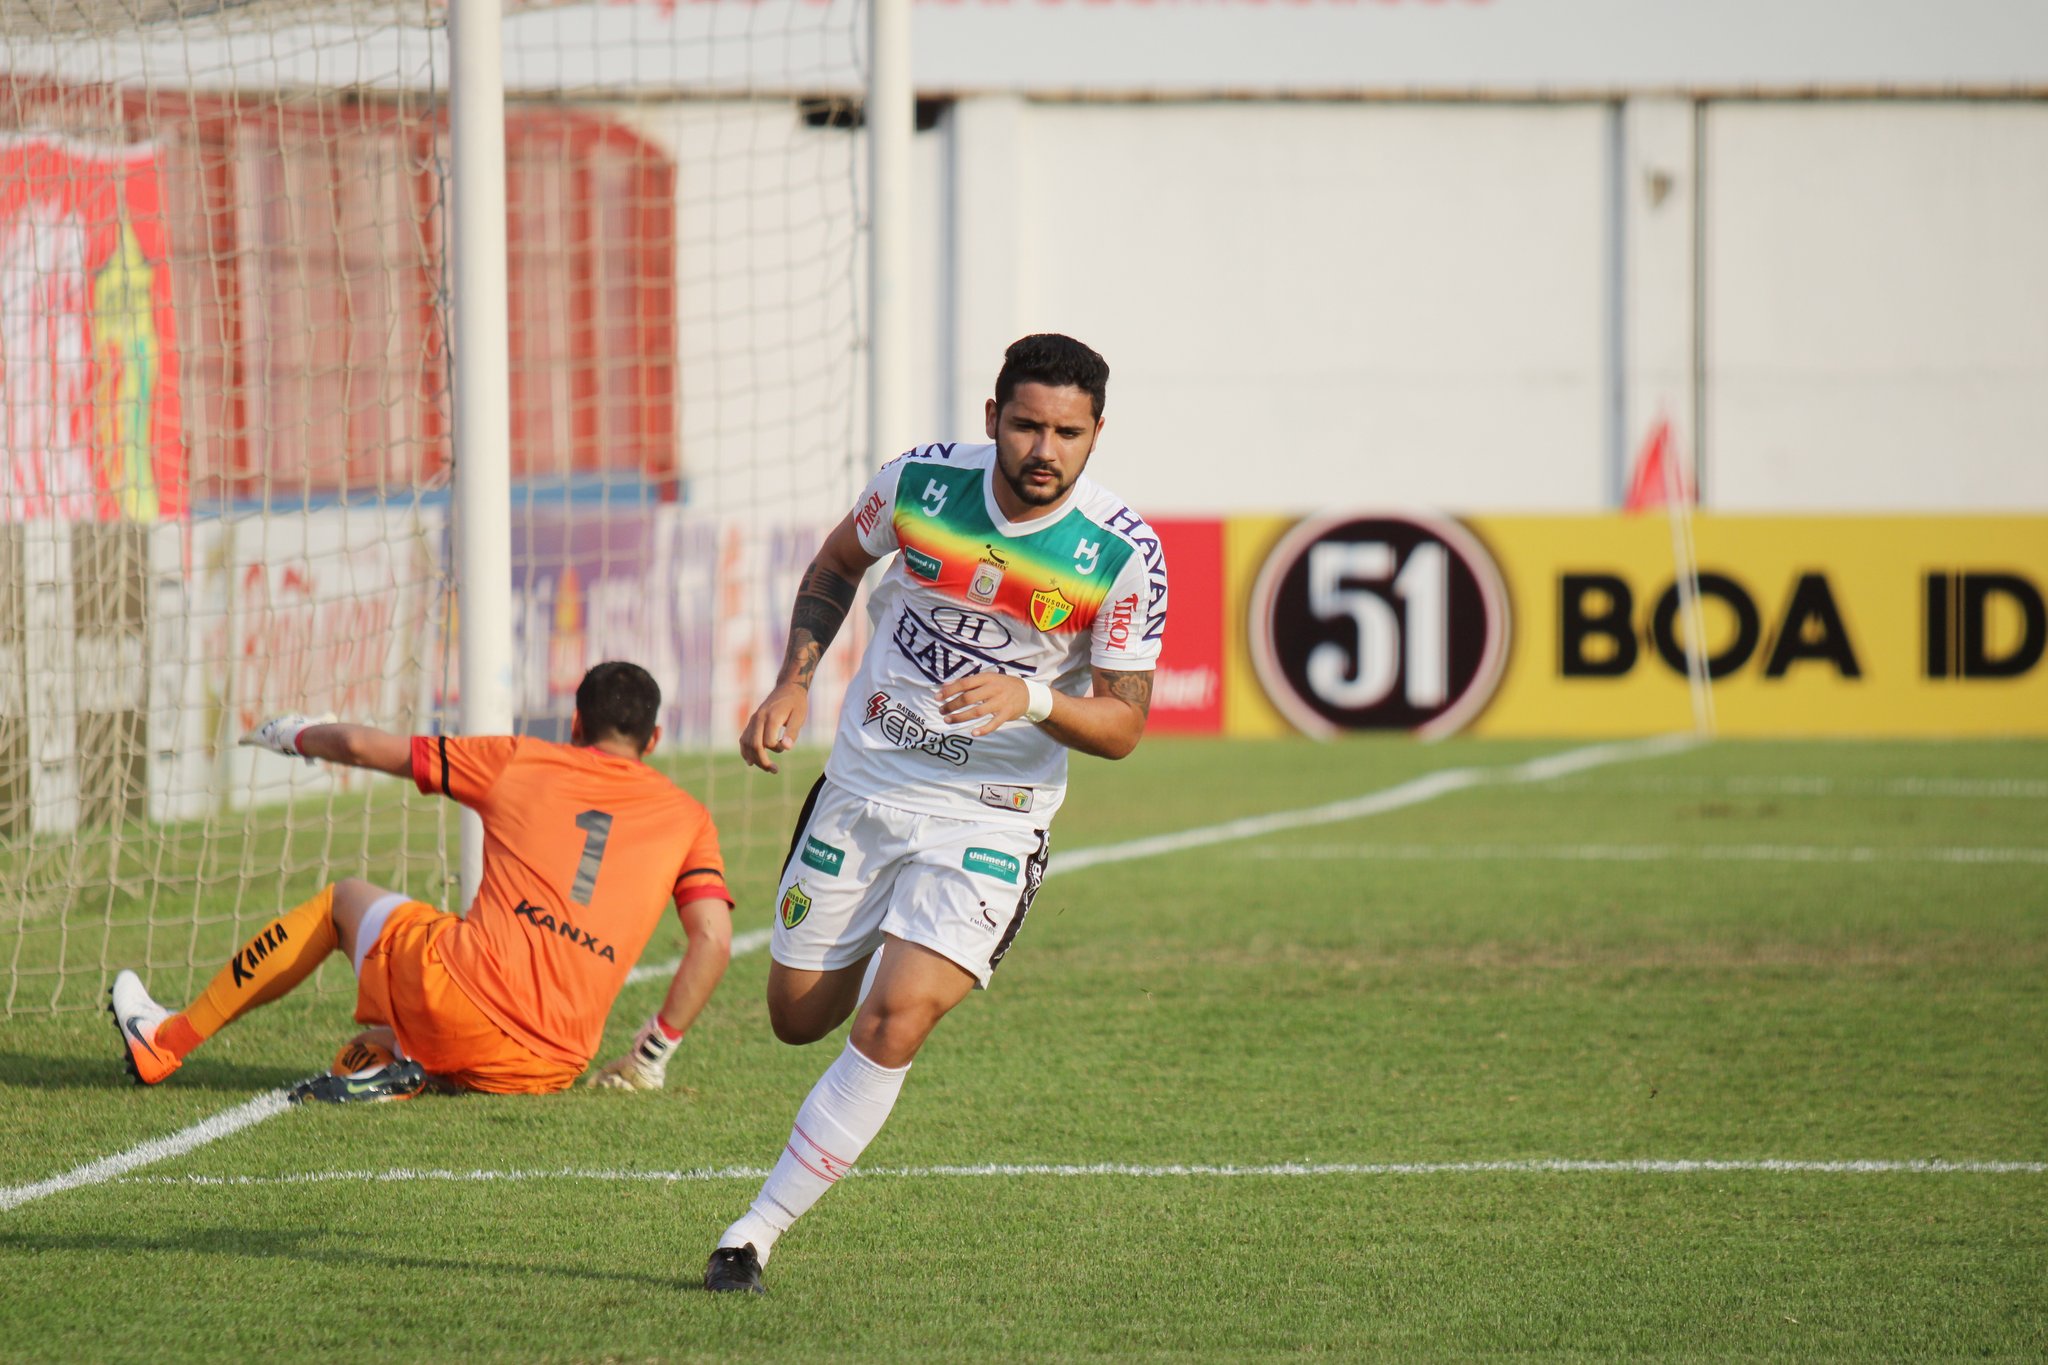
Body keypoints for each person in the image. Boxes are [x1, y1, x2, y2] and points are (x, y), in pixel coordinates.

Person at [703, 333, 1167, 1292]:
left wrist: (1031, 697)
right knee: (795, 1018)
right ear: (993, 418)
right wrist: (793, 684)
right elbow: (837, 565)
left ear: (1097, 435)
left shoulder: (1123, 554)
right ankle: (886, 931)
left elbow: (1122, 725)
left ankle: (753, 1231)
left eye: (1069, 433)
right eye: (1030, 425)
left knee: (894, 1022)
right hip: (867, 789)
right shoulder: (917, 483)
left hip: (991, 817)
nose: (1047, 449)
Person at [108, 661, 735, 1100]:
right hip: (552, 1063)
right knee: (381, 1042)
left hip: (462, 997)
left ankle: (165, 1039)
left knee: (343, 901)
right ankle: (399, 1073)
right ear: (653, 738)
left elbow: (357, 744)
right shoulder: (689, 818)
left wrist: (293, 734)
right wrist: (649, 1058)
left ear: (573, 725)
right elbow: (713, 940)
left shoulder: (522, 758)